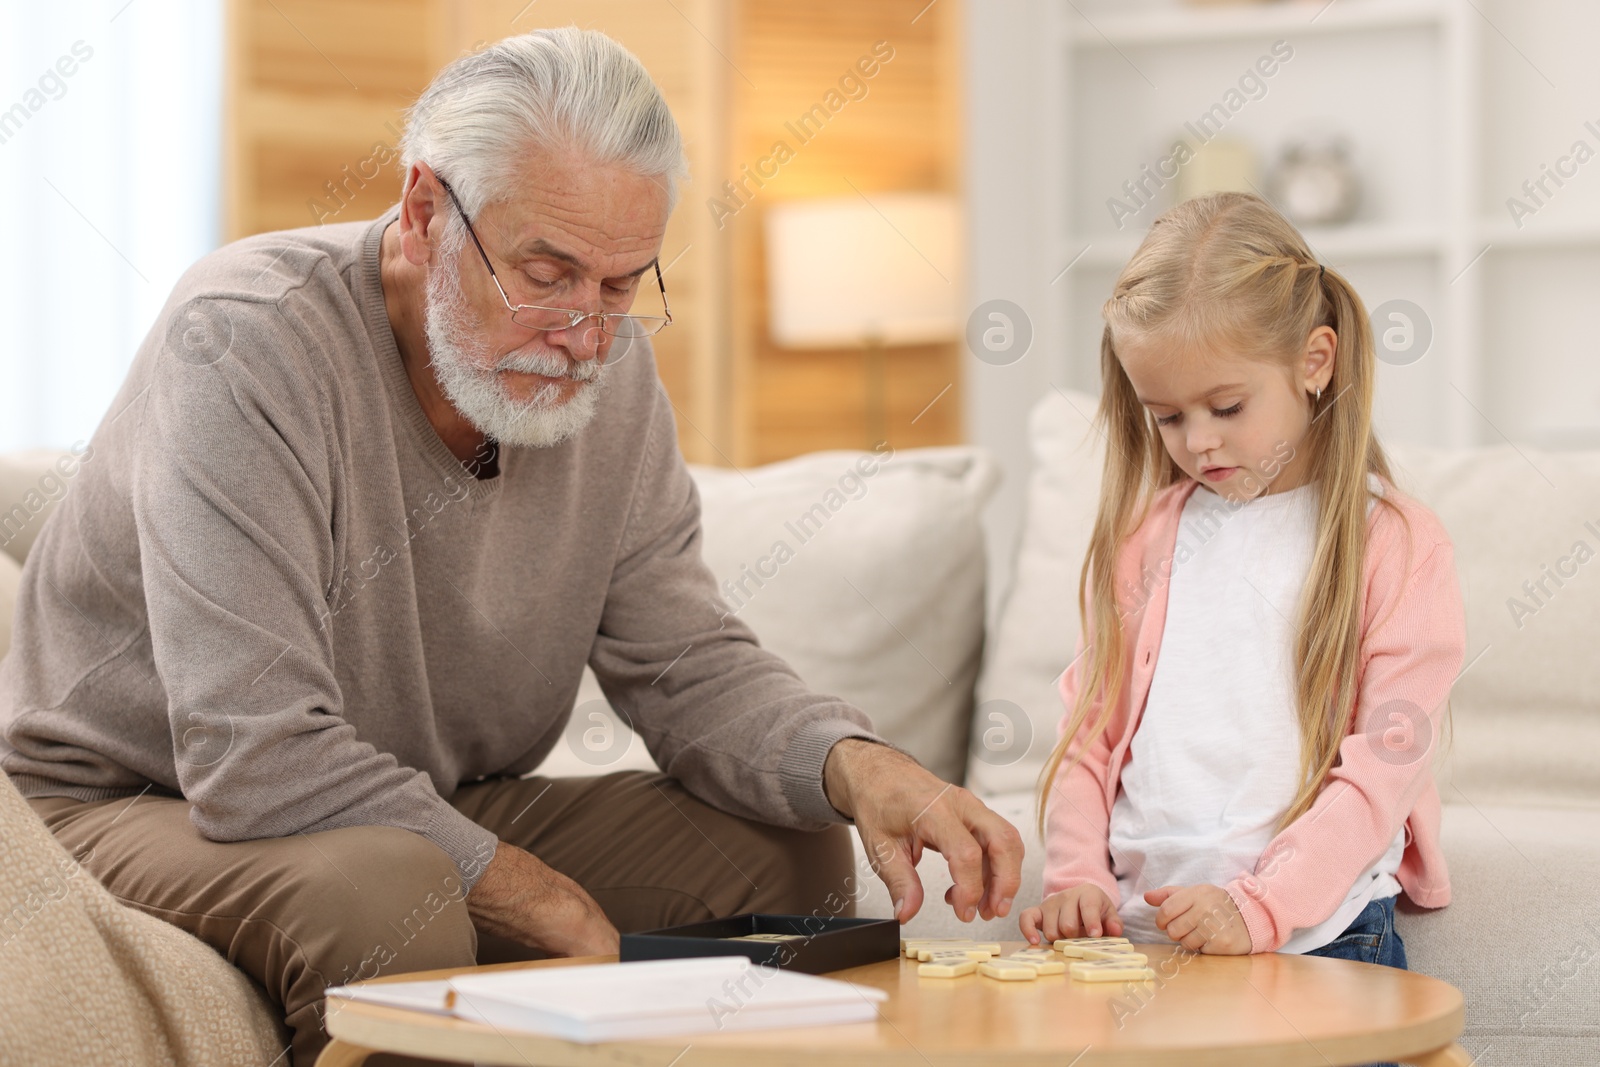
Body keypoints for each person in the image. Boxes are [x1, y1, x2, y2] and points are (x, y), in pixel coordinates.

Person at [0, 28, 1022, 1065]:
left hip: (408, 799)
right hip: (127, 799)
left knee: (788, 847)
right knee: (389, 893)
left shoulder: (610, 379)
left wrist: (863, 766)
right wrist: (538, 895)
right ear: (422, 212)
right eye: (547, 272)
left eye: (621, 285)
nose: (583, 333)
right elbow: (250, 747)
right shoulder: (243, 339)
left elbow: (683, 661)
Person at [1018, 192, 1463, 1064]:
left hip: (1318, 936)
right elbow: (1088, 742)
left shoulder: (1393, 542)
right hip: (1145, 942)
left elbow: (1382, 775)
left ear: (1315, 361)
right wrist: (1076, 879)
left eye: (1226, 406)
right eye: (1167, 416)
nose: (1198, 443)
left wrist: (1258, 906)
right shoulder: (1148, 536)